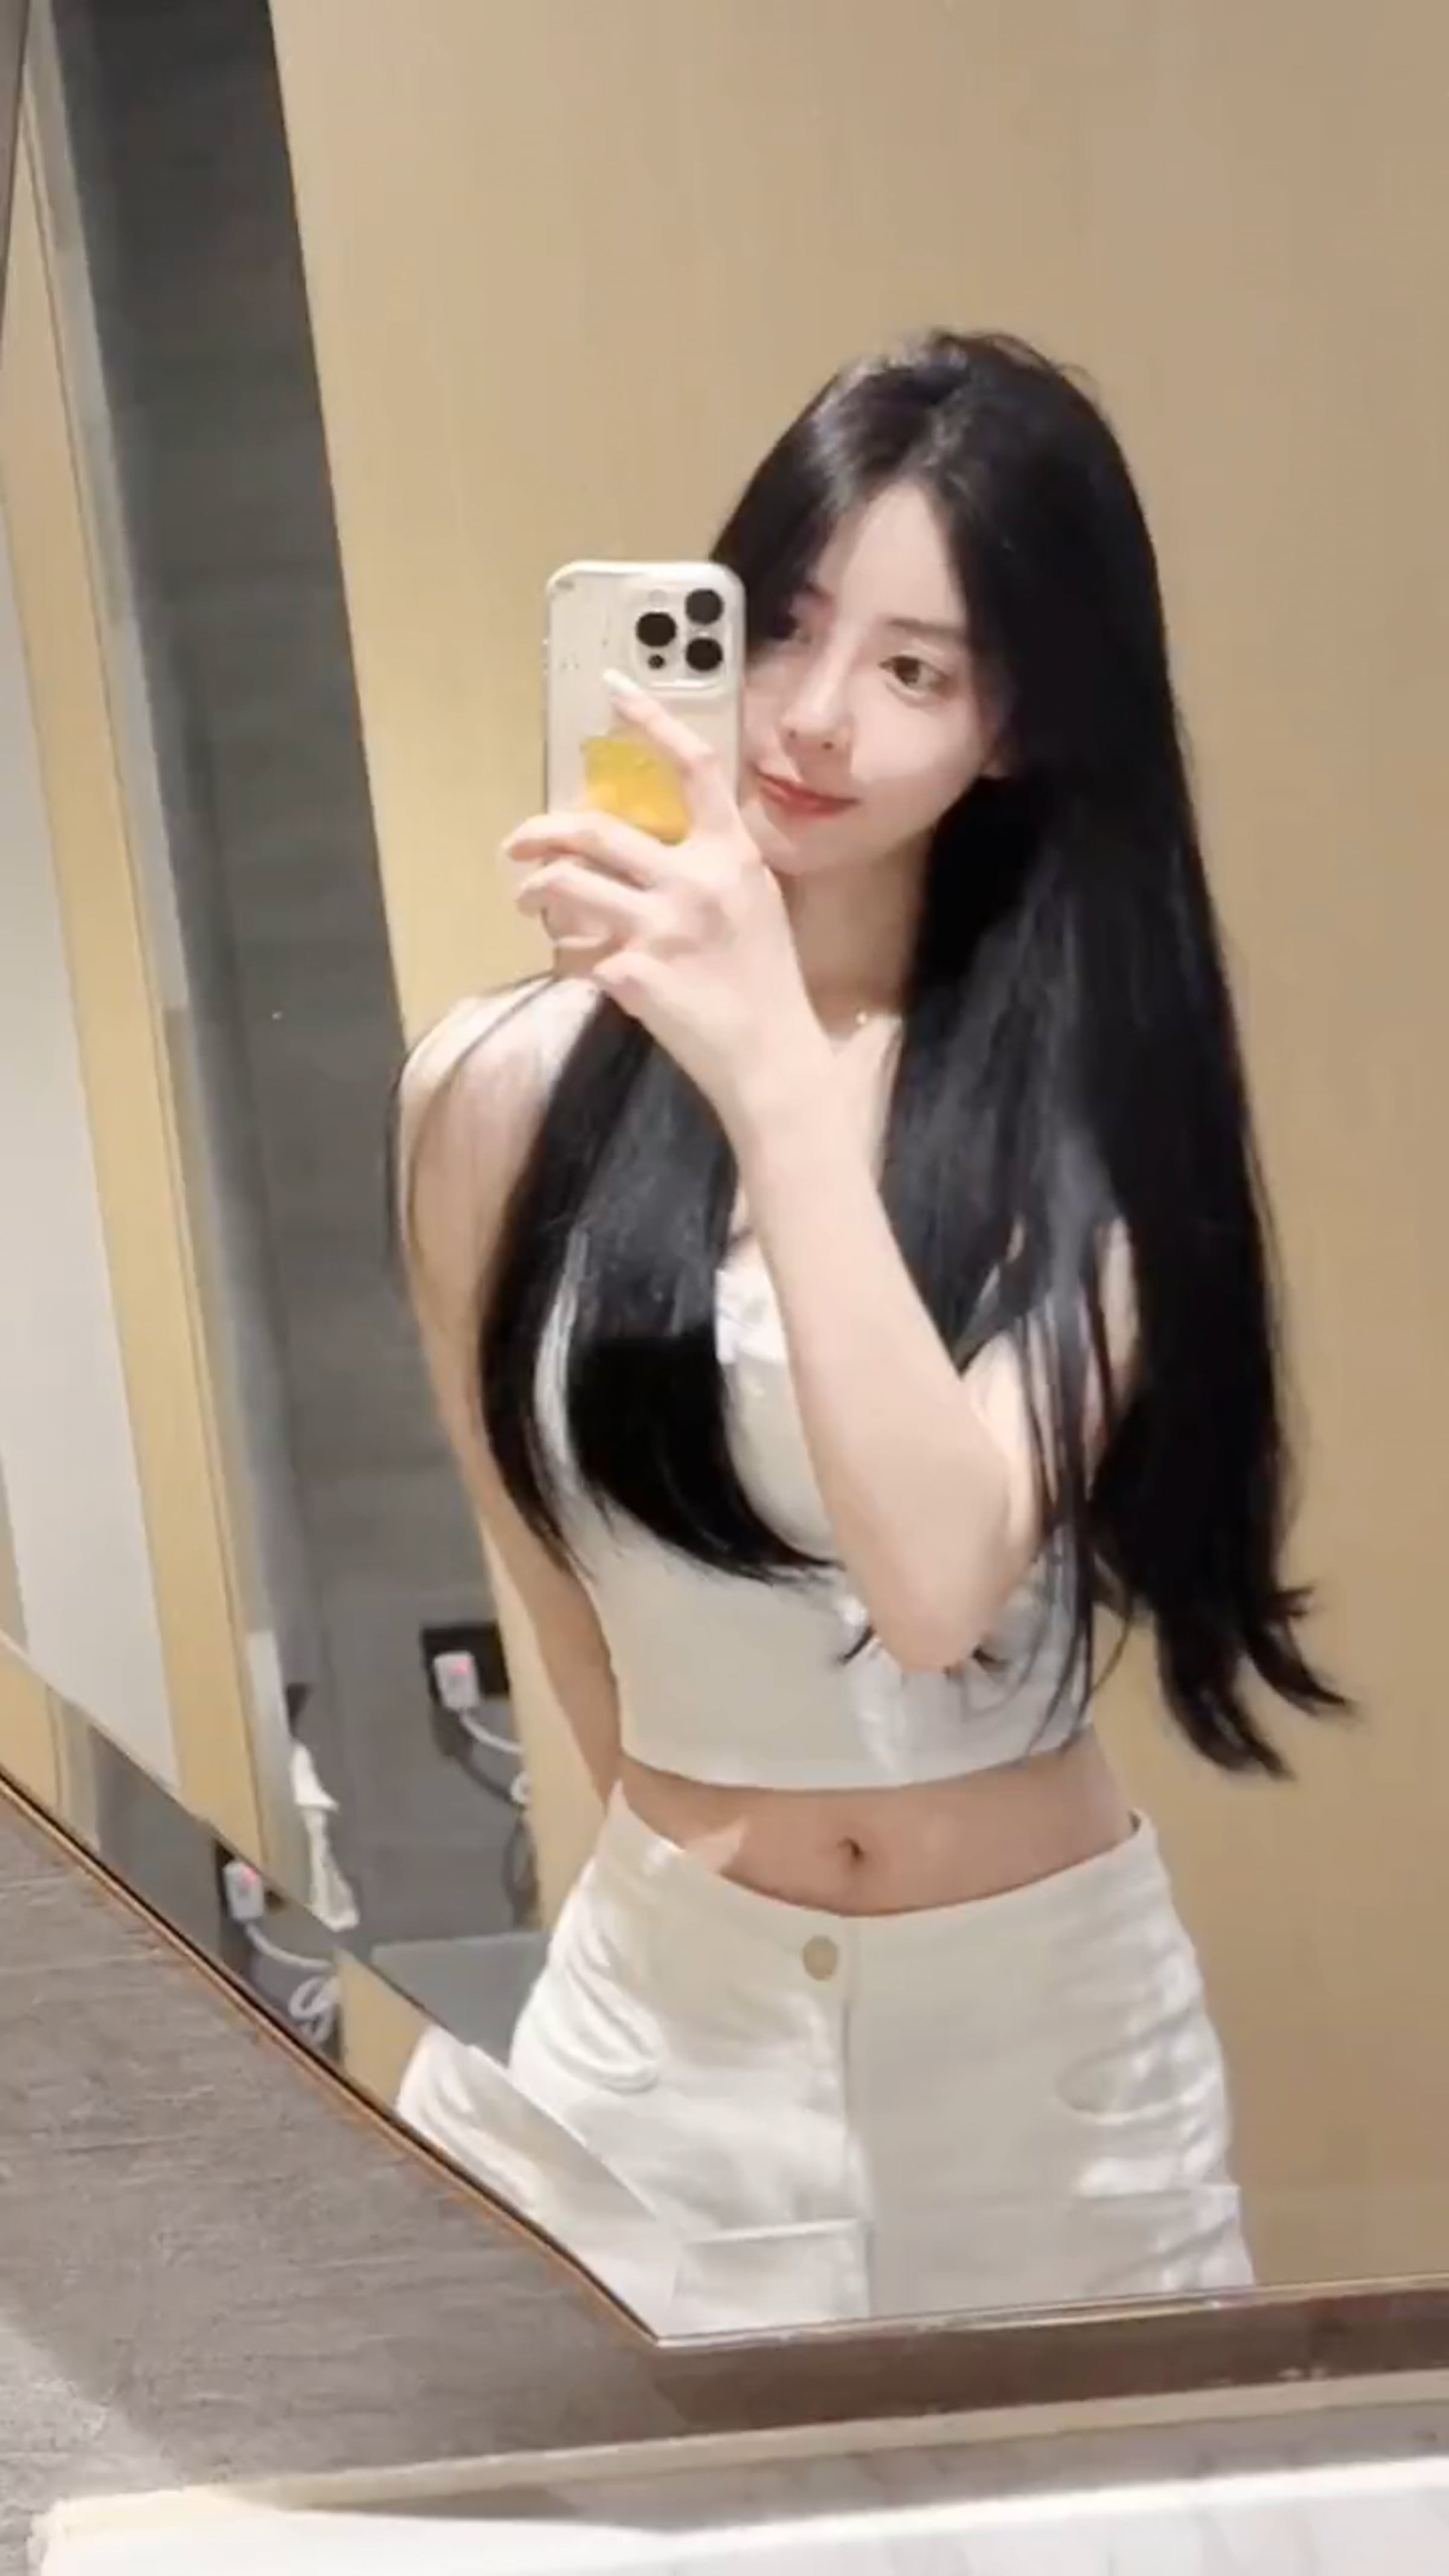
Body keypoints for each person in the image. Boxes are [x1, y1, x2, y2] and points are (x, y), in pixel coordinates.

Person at [392, 330, 1344, 2330]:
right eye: (784, 624)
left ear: (1015, 723)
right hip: (670, 2038)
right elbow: (567, 1607)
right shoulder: (495, 1094)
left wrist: (769, 1065)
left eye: (916, 669)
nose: (814, 717)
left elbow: (935, 1581)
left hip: (1045, 2061)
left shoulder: (1093, 1108)